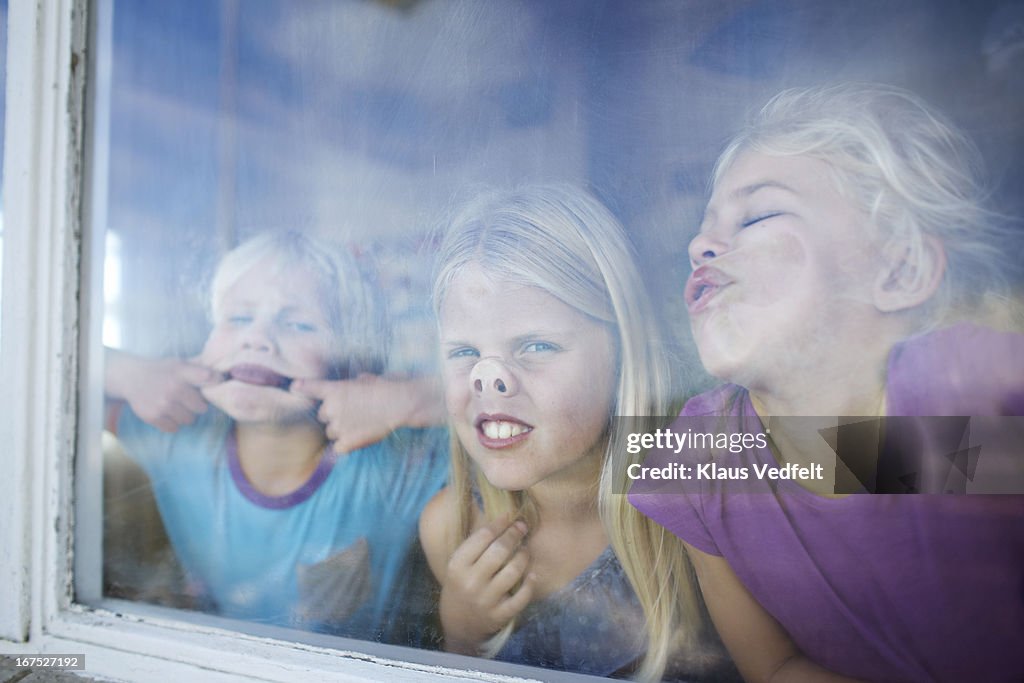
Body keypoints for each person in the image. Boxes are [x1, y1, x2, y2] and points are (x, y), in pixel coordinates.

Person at [630, 82, 1024, 682]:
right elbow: (775, 666)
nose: (699, 246)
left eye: (758, 214)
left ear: (901, 269)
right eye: (703, 231)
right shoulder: (704, 456)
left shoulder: (962, 387)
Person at [418, 186, 738, 681]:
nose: (489, 378)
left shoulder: (697, 471)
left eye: (537, 344)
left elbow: (893, 457)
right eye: (463, 353)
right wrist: (462, 635)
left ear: (624, 351)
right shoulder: (452, 529)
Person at [104, 230, 447, 644]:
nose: (257, 338)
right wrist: (127, 372)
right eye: (237, 319)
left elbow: (515, 410)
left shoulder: (393, 464)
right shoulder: (178, 433)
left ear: (354, 364)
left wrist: (407, 400)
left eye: (299, 324)